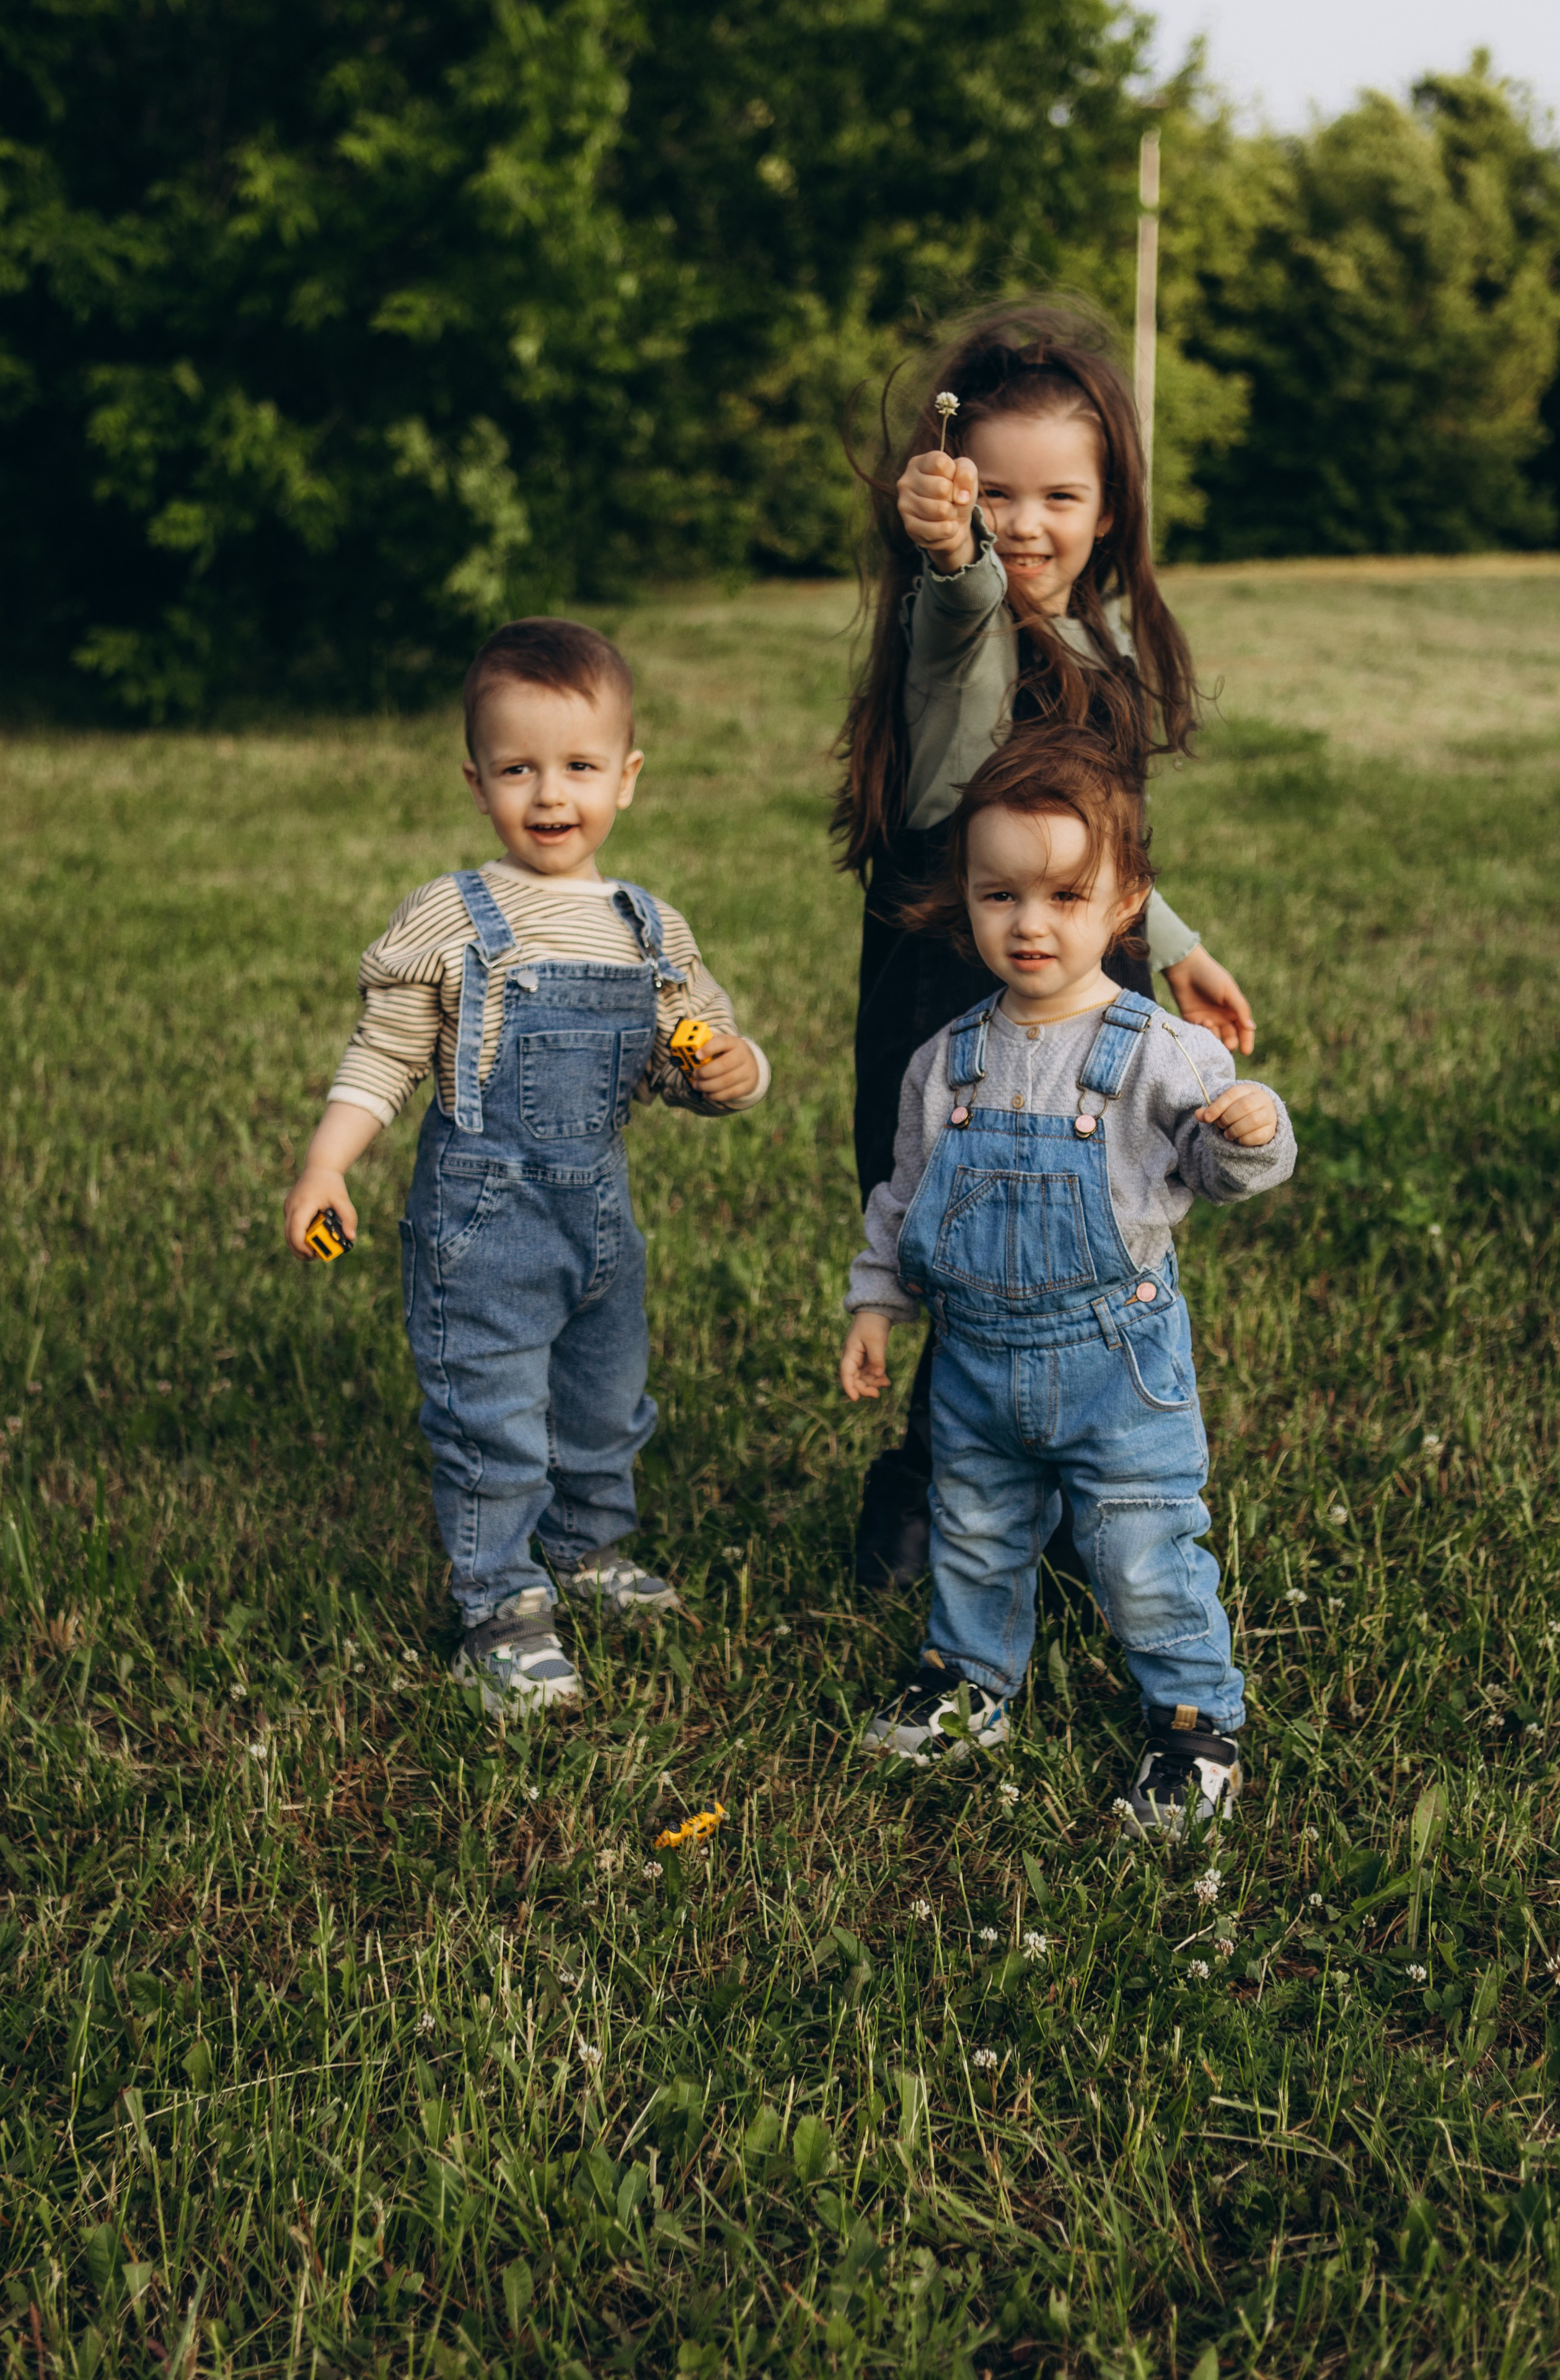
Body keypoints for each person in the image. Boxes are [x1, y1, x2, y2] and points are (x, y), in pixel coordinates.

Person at [835, 297, 1258, 1591]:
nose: (1025, 525)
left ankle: (1078, 1484)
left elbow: (1095, 850)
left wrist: (1168, 941)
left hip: (1088, 994)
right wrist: (944, 546)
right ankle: (932, 1502)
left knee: (1085, 1240)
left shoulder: (1103, 641)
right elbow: (960, 592)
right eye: (994, 496)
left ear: (1109, 509)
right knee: (973, 1250)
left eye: (1058, 497)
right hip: (952, 1000)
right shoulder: (952, 621)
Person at [283, 618, 769, 1716]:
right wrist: (327, 1164)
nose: (552, 795)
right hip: (483, 1224)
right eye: (519, 769)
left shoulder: (650, 929)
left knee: (605, 1399)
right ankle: (498, 1605)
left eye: (580, 767)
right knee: (492, 1414)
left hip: (600, 1218)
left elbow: (701, 1046)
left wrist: (737, 1071)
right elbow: (387, 1052)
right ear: (477, 779)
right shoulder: (455, 915)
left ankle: (587, 1551)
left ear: (628, 778)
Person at [837, 725, 1293, 1833]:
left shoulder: (1160, 1052)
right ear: (967, 899)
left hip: (1117, 1365)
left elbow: (1224, 1171)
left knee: (1141, 1543)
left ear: (1125, 901)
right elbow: (905, 1194)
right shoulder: (945, 1058)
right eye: (1000, 897)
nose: (1029, 924)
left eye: (1063, 895)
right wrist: (874, 1301)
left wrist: (1251, 1126)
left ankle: (1192, 1721)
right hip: (977, 1364)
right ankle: (968, 1681)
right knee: (976, 1526)